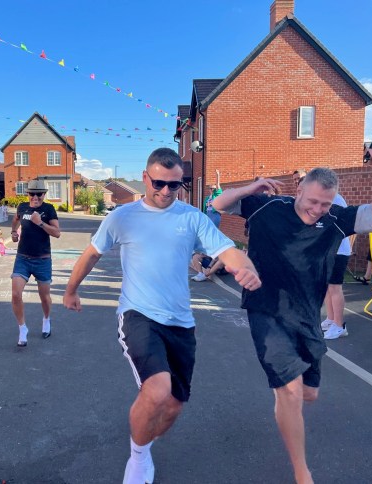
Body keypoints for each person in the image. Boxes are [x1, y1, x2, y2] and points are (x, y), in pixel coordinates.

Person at [211, 132, 372, 484]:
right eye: (312, 201)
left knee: (308, 393)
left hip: (307, 317)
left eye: (324, 204)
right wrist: (250, 187)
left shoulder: (336, 219)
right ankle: (302, 472)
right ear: (299, 190)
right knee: (290, 391)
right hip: (266, 310)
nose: (317, 210)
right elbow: (219, 204)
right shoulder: (268, 206)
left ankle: (288, 403)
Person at [63, 148, 260, 483]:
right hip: (138, 314)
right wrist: (71, 290)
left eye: (175, 184)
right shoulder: (123, 217)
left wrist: (247, 269)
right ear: (145, 178)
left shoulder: (192, 217)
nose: (166, 191)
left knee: (173, 406)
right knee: (156, 390)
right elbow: (92, 254)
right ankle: (138, 458)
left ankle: (144, 444)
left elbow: (229, 251)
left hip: (181, 323)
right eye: (159, 183)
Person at [10, 180, 61, 346]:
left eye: (39, 194)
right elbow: (16, 219)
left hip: (42, 259)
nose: (35, 197)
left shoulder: (48, 209)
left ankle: (46, 319)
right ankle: (22, 328)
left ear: (44, 195)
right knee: (16, 294)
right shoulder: (22, 207)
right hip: (23, 258)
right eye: (32, 194)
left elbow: (57, 233)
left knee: (44, 297)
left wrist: (40, 222)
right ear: (28, 194)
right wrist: (13, 232)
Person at [321, 193, 352, 340]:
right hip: (328, 250)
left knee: (334, 287)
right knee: (327, 287)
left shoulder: (336, 200)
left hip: (338, 251)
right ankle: (331, 319)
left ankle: (339, 326)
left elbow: (334, 224)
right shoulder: (323, 198)